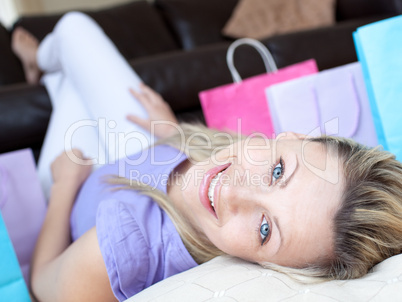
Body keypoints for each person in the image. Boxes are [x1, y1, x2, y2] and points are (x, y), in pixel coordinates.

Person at [11, 12, 402, 302]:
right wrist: (174, 135)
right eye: (278, 170)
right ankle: (46, 68)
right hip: (139, 156)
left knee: (72, 41)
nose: (233, 192)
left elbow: (42, 282)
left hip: (77, 181)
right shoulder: (230, 155)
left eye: (265, 229)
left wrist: (64, 185)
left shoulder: (124, 250)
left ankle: (45, 67)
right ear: (294, 137)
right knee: (74, 39)